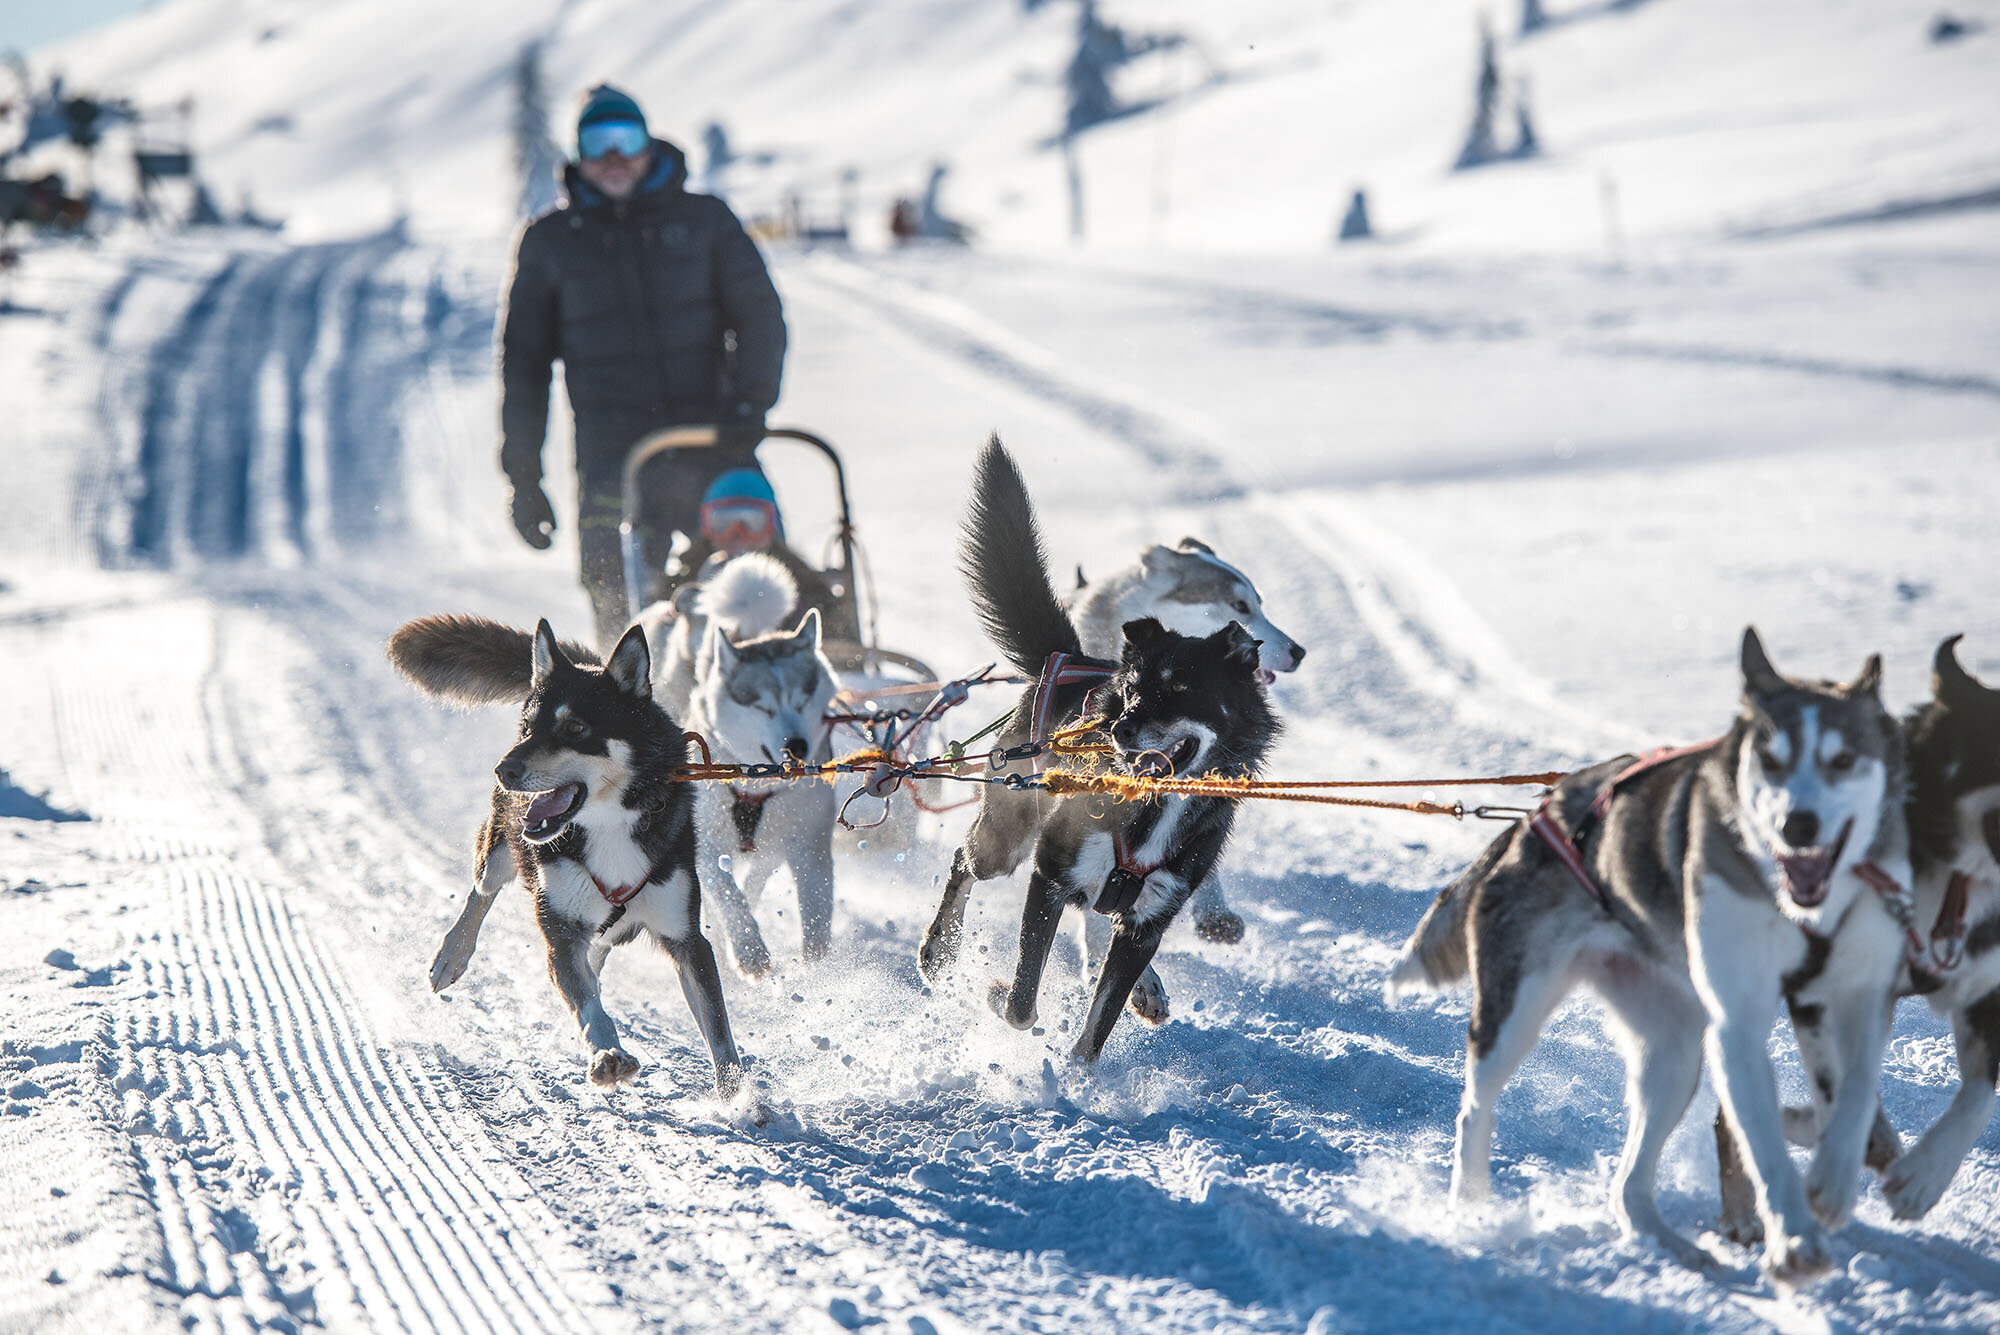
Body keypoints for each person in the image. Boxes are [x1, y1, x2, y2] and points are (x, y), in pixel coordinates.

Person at [499, 83, 787, 648]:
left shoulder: (705, 222)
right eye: (597, 141)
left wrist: (750, 402)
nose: (613, 156)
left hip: (716, 440)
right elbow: (524, 367)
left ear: (648, 142)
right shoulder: (551, 242)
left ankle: (823, 685)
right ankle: (636, 721)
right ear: (579, 152)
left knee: (767, 581)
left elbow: (760, 318)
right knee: (620, 609)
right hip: (613, 460)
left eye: (624, 138)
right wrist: (524, 477)